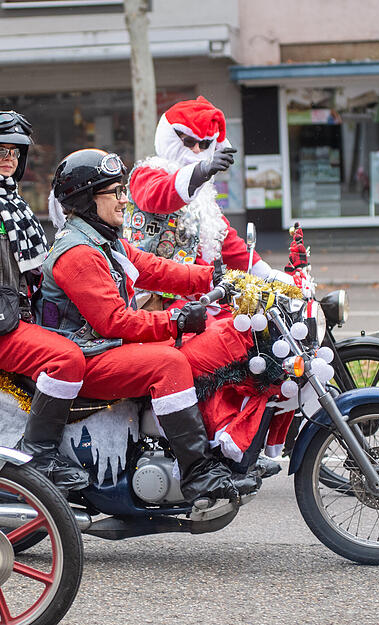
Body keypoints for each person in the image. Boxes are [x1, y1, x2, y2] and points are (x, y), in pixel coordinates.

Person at [40, 148, 270, 505]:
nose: (123, 201)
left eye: (122, 190)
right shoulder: (78, 252)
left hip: (104, 348)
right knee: (170, 364)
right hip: (86, 356)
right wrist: (175, 321)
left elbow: (154, 268)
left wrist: (215, 277)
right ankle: (198, 473)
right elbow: (114, 320)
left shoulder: (104, 240)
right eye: (114, 192)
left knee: (196, 348)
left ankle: (204, 451)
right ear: (87, 200)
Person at [0, 109, 88, 491]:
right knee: (66, 359)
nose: (8, 158)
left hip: (24, 318)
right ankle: (41, 455)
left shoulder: (16, 204)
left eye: (15, 152)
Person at [127, 96, 292, 301]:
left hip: (198, 294)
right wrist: (200, 171)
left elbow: (225, 241)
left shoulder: (202, 193)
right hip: (152, 294)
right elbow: (158, 196)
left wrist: (265, 275)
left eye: (205, 144)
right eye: (189, 141)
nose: (197, 150)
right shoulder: (149, 172)